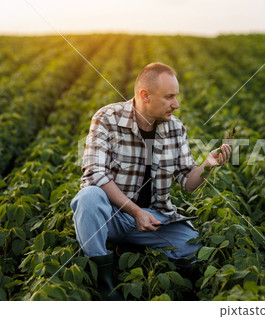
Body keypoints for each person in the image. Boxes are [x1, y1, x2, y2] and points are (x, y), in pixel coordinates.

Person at [70, 62, 232, 300]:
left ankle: (127, 246)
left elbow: (187, 182)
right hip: (112, 216)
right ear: (145, 95)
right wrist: (136, 213)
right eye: (169, 97)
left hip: (153, 218)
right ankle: (104, 282)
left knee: (196, 252)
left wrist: (208, 165)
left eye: (175, 97)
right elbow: (94, 173)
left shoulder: (176, 129)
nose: (176, 104)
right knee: (88, 197)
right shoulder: (107, 118)